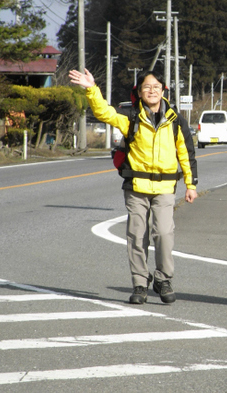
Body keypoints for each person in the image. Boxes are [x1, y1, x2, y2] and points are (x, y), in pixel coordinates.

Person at [69, 68, 198, 305]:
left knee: (164, 234)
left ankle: (163, 279)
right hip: (136, 187)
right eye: (146, 87)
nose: (152, 91)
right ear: (138, 92)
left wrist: (191, 184)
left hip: (165, 187)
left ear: (163, 91)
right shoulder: (130, 116)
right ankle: (140, 284)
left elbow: (185, 152)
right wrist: (91, 89)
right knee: (137, 236)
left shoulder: (175, 119)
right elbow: (104, 112)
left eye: (156, 87)